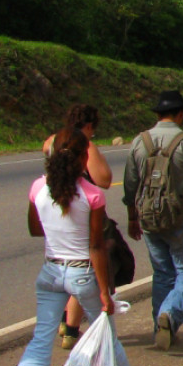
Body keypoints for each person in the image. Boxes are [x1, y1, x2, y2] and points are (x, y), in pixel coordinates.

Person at [3, 128, 139, 366]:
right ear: (81, 159)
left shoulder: (38, 188)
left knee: (40, 342)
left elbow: (35, 230)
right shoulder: (92, 195)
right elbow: (96, 246)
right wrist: (105, 292)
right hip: (82, 273)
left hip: (50, 271)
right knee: (106, 337)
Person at [123, 90, 183, 351]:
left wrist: (133, 218)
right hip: (180, 219)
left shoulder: (138, 142)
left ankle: (161, 327)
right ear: (179, 114)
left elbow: (130, 186)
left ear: (157, 114)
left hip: (148, 219)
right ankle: (170, 314)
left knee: (163, 273)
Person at [43, 104, 114, 350]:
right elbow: (105, 179)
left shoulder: (51, 141)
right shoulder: (84, 145)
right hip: (80, 209)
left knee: (62, 264)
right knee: (83, 265)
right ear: (88, 126)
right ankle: (72, 329)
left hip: (55, 208)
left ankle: (64, 320)